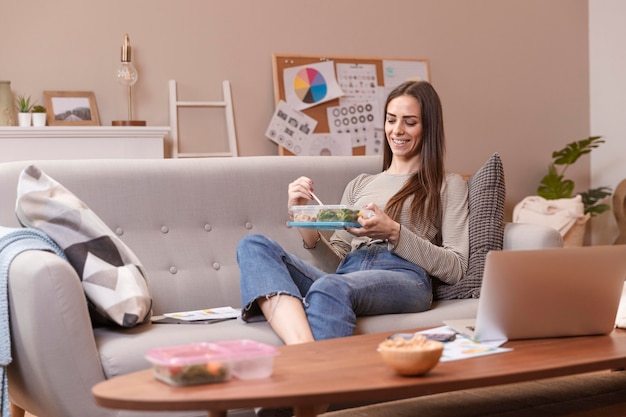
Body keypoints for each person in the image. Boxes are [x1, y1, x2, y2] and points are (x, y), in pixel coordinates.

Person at [237, 80, 469, 345]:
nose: (397, 130)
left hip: (405, 278)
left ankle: (312, 367)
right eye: (391, 120)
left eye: (410, 122)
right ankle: (306, 352)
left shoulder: (447, 185)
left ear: (429, 126)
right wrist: (307, 227)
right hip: (348, 274)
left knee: (329, 287)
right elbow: (336, 265)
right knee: (253, 246)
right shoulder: (360, 184)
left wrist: (394, 232)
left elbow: (456, 268)